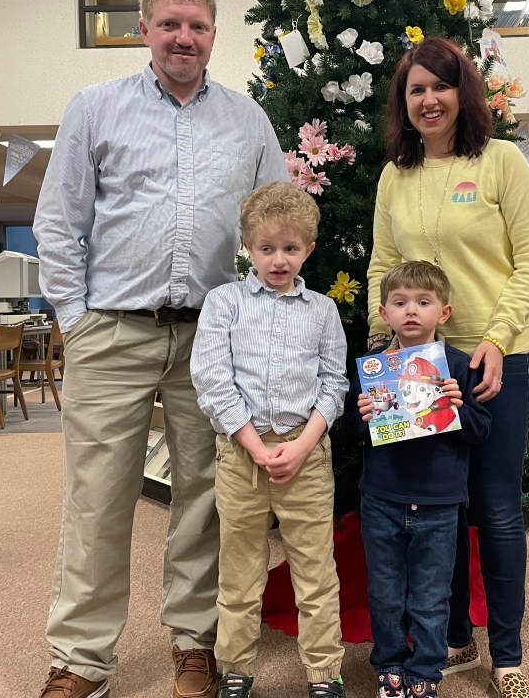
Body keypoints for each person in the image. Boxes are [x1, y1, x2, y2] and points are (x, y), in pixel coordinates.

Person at [32, 0, 289, 698]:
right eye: (170, 24)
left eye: (197, 27)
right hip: (111, 331)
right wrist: (75, 320)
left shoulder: (249, 121)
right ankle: (81, 658)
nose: (184, 38)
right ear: (144, 29)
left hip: (211, 338)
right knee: (97, 497)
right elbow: (59, 221)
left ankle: (194, 643)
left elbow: (280, 221)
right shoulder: (94, 109)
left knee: (205, 497)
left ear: (214, 36)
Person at [366, 36, 529, 698]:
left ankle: (508, 656)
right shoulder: (395, 175)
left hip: (499, 359)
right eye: (415, 89)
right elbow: (382, 265)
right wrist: (384, 344)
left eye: (439, 86)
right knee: (436, 501)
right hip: (420, 362)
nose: (428, 100)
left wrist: (497, 338)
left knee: (495, 507)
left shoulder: (501, 161)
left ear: (462, 93)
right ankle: (453, 637)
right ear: (404, 102)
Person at [190, 182, 349, 698]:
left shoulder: (322, 310)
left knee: (315, 571)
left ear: (309, 249)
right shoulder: (224, 303)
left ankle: (324, 672)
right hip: (242, 453)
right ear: (247, 247)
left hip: (306, 453)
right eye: (266, 248)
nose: (279, 260)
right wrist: (256, 448)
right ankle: (236, 666)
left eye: (290, 248)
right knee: (239, 571)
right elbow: (212, 380)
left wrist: (301, 446)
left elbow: (334, 384)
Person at [343, 261, 490, 698]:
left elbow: (481, 431)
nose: (411, 311)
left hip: (440, 503)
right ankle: (388, 664)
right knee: (386, 592)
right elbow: (349, 432)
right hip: (382, 498)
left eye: (423, 302)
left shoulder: (457, 366)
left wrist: (458, 409)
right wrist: (362, 417)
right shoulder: (373, 369)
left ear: (443, 312)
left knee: (430, 594)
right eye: (400, 302)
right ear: (384, 313)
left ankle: (425, 671)